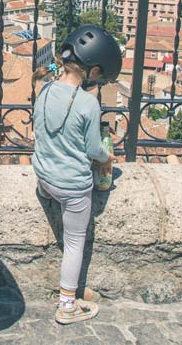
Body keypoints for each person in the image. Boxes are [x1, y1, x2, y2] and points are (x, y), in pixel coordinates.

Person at [31, 25, 121, 325]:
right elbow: (93, 149)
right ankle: (67, 305)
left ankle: (44, 191)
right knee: (74, 243)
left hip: (44, 176)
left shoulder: (44, 89)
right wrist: (107, 158)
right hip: (71, 187)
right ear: (94, 71)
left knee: (49, 188)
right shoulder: (88, 104)